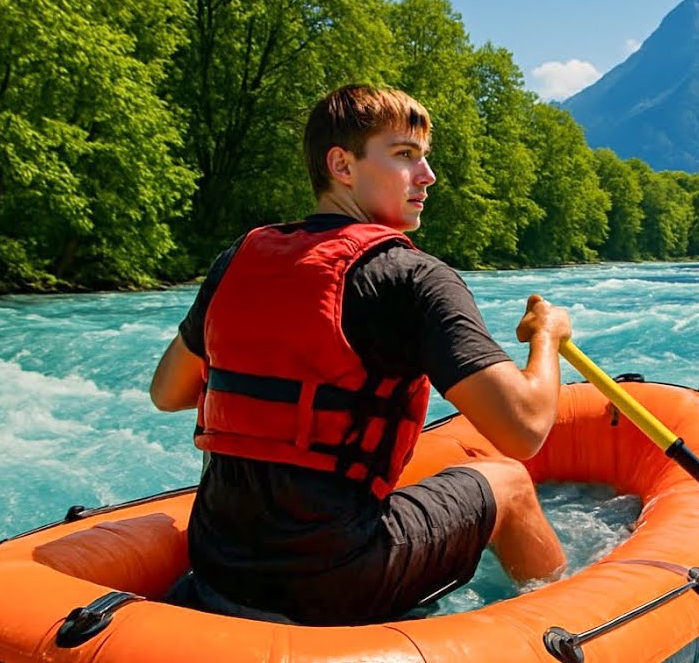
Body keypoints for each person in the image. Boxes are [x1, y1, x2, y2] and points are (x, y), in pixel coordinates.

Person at [149, 84, 569, 626]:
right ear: (341, 165)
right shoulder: (414, 279)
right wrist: (547, 337)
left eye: (425, 158)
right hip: (336, 581)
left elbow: (168, 393)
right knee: (507, 481)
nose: (427, 176)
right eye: (404, 156)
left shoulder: (239, 260)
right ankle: (571, 625)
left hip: (218, 563)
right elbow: (526, 427)